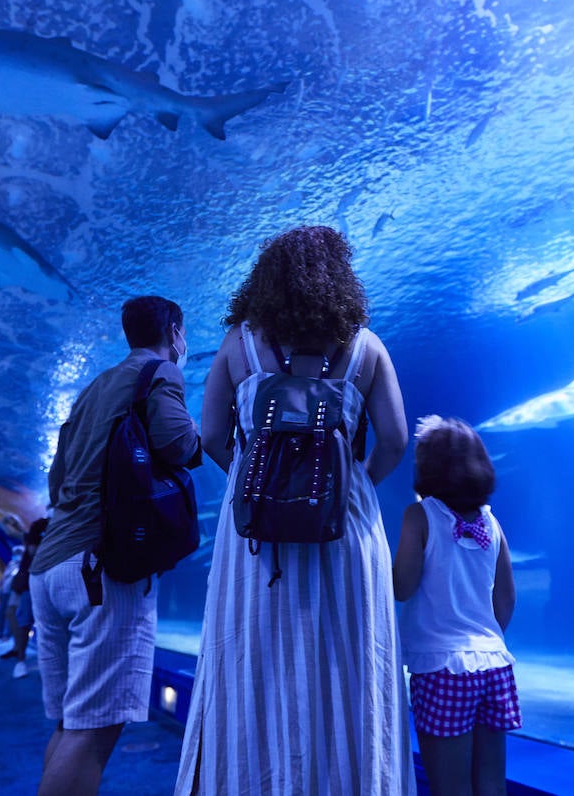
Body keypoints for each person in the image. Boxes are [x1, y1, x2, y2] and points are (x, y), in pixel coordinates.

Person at [175, 225, 412, 795]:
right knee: (351, 663)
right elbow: (397, 440)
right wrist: (353, 485)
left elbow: (208, 434)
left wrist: (252, 482)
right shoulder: (366, 347)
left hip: (257, 536)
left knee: (254, 662)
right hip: (345, 530)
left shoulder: (239, 344)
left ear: (266, 280)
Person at [31, 296, 201, 795]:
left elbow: (57, 475)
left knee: (70, 723)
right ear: (174, 331)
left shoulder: (93, 387)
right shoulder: (160, 372)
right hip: (101, 570)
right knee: (92, 731)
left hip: (51, 564)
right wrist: (200, 432)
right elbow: (175, 443)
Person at [391, 416, 520, 796]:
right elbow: (507, 599)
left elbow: (402, 587)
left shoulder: (420, 516)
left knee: (451, 788)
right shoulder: (491, 523)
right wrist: (482, 638)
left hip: (441, 667)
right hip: (494, 664)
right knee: (492, 784)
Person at [4, 516, 48, 680]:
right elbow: (32, 550)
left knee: (46, 623)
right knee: (25, 621)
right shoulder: (40, 525)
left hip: (48, 580)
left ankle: (45, 660)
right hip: (32, 580)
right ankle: (20, 660)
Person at [0, 545, 24, 643]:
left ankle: (7, 634)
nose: (17, 555)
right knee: (0, 612)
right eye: (16, 553)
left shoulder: (23, 565)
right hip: (4, 592)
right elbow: (3, 579)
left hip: (13, 593)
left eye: (19, 553)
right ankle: (0, 633)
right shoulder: (11, 564)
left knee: (10, 614)